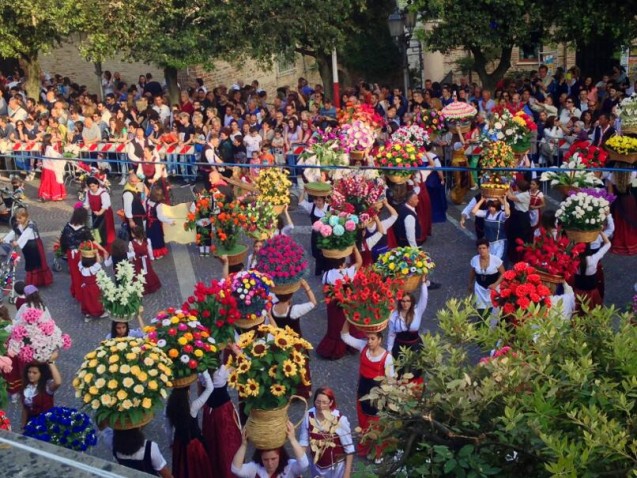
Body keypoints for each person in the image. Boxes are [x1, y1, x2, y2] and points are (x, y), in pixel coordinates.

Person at [340, 321, 394, 458]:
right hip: (362, 393)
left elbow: (391, 380)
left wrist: (388, 401)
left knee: (376, 426)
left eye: (373, 338)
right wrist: (347, 319)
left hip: (377, 398)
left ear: (380, 340)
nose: (369, 341)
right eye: (367, 338)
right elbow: (345, 336)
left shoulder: (387, 357)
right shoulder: (362, 347)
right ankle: (364, 447)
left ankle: (377, 452)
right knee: (363, 423)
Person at [270, 280, 317, 398]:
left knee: (284, 367)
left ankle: (286, 389)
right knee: (301, 367)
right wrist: (306, 286)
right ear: (291, 295)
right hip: (295, 345)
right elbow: (313, 303)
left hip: (280, 344)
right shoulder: (294, 310)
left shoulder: (271, 309)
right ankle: (303, 391)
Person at [316, 247, 363, 360]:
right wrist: (355, 248)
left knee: (334, 325)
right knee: (347, 323)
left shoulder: (327, 274)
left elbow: (325, 291)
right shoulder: (348, 272)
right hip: (347, 303)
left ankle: (335, 346)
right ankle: (348, 344)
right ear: (342, 264)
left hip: (333, 305)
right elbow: (359, 262)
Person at [166, 371, 215, 478]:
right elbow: (210, 388)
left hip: (179, 443)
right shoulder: (193, 406)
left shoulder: (169, 406)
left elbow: (168, 429)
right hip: (194, 446)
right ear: (187, 392)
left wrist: (171, 443)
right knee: (197, 471)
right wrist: (204, 370)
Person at [298, 387, 355, 478]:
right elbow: (303, 442)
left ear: (331, 402)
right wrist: (299, 467)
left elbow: (349, 448)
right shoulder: (308, 416)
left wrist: (347, 474)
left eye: (324, 402)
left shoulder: (339, 420)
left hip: (336, 468)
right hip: (316, 466)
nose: (321, 406)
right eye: (318, 402)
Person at [231, 421, 309, 478]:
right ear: (260, 457)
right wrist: (244, 445)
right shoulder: (255, 468)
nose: (270, 464)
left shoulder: (290, 467)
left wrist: (293, 439)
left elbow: (304, 464)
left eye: (273, 459)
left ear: (280, 456)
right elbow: (235, 470)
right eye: (265, 459)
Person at [3, 208, 53, 287]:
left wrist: (17, 242)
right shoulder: (18, 224)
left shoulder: (31, 225)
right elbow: (13, 232)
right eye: (17, 218)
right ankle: (33, 281)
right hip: (27, 247)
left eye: (20, 218)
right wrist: (5, 239)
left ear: (25, 217)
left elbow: (25, 235)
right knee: (29, 262)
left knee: (36, 263)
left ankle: (36, 281)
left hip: (34, 246)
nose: (18, 220)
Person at [386, 277, 428, 360]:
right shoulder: (394, 316)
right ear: (400, 302)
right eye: (403, 301)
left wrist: (423, 283)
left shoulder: (417, 311)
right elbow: (391, 334)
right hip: (399, 348)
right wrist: (389, 350)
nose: (405, 304)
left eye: (408, 301)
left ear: (412, 302)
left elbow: (424, 298)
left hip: (415, 347)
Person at [59, 206, 93, 301]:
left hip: (71, 254)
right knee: (82, 274)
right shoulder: (84, 229)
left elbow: (63, 241)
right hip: (81, 253)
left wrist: (65, 250)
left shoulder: (67, 227)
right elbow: (91, 240)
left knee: (74, 274)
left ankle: (76, 292)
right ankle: (82, 294)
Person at [573, 232, 611, 311]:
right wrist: (600, 231)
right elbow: (608, 244)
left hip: (577, 293)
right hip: (592, 294)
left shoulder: (573, 259)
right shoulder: (594, 258)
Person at [21, 354, 61, 427]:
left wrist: (51, 362)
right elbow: (25, 409)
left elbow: (58, 382)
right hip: (31, 424)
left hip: (46, 424)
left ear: (41, 374)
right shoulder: (26, 387)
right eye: (29, 372)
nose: (31, 375)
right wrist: (23, 425)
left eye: (34, 373)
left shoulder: (47, 386)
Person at [468, 238, 505, 317]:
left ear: (488, 248)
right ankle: (482, 322)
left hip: (493, 288)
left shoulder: (496, 260)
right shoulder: (474, 259)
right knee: (480, 308)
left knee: (494, 309)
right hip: (480, 288)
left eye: (484, 248)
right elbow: (473, 272)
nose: (482, 250)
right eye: (480, 248)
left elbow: (503, 274)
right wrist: (470, 283)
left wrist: (495, 284)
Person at [298, 188, 329, 276]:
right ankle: (319, 270)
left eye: (319, 200)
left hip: (326, 235)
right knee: (316, 254)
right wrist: (303, 191)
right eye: (315, 200)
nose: (317, 202)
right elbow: (300, 202)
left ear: (324, 200)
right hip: (315, 235)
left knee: (326, 254)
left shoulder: (329, 208)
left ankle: (326, 270)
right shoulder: (312, 206)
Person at [361, 199, 397, 267]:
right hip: (376, 256)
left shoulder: (363, 228)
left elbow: (395, 216)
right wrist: (386, 204)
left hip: (381, 256)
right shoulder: (382, 225)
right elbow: (395, 215)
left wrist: (386, 204)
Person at [78, 245, 110, 321]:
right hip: (94, 287)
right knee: (96, 300)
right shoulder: (94, 268)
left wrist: (82, 253)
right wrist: (96, 253)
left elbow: (80, 260)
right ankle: (100, 313)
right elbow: (99, 262)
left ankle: (87, 314)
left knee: (86, 300)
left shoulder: (81, 267)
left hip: (85, 287)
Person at [84, 177, 116, 250]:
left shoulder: (103, 193)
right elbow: (87, 203)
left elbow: (106, 205)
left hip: (105, 214)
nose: (92, 188)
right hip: (95, 213)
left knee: (104, 229)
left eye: (93, 186)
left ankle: (106, 245)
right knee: (96, 229)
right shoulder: (88, 193)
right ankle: (98, 244)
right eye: (90, 186)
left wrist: (99, 213)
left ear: (97, 185)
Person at [129, 225, 161, 294]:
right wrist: (151, 257)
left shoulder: (132, 243)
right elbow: (150, 250)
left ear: (135, 234)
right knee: (146, 272)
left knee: (140, 273)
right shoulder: (146, 240)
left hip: (139, 261)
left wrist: (131, 261)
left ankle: (142, 288)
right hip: (143, 260)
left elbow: (132, 254)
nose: (131, 234)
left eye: (132, 233)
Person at [506, 179, 532, 263]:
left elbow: (510, 197)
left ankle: (521, 255)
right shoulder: (520, 193)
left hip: (522, 218)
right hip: (517, 216)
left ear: (519, 187)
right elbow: (512, 193)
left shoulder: (525, 195)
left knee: (521, 236)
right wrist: (508, 186)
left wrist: (506, 188)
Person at [145, 186, 175, 259]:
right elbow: (160, 217)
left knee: (150, 237)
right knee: (157, 238)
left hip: (148, 223)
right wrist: (170, 221)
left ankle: (150, 250)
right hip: (156, 225)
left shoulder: (147, 201)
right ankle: (158, 253)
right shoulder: (158, 206)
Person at [37, 132, 66, 201]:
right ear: (49, 140)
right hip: (50, 168)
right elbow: (53, 158)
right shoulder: (49, 148)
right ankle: (48, 195)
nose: (54, 138)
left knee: (47, 182)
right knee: (52, 182)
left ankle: (46, 195)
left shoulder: (46, 147)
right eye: (52, 138)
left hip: (47, 167)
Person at [423, 144, 447, 223]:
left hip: (423, 180)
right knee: (435, 199)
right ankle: (435, 216)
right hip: (433, 180)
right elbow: (438, 169)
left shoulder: (419, 156)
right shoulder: (433, 156)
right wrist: (442, 179)